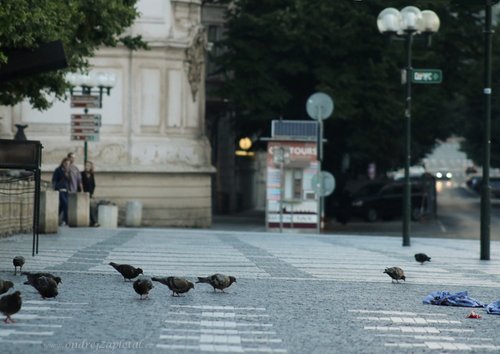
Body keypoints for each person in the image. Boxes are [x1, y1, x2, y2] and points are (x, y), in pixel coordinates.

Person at [51, 157, 71, 226]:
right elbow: (54, 180)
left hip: (66, 191)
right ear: (63, 163)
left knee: (62, 206)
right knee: (65, 204)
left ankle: (55, 219)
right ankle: (65, 221)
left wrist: (67, 175)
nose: (67, 165)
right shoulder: (58, 170)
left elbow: (69, 181)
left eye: (68, 164)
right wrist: (54, 188)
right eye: (66, 163)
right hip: (60, 190)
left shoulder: (68, 172)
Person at [82, 161, 99, 227]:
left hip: (90, 194)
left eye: (88, 166)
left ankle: (93, 221)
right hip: (84, 194)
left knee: (94, 206)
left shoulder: (92, 175)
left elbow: (93, 185)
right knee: (90, 207)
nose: (87, 167)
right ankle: (94, 222)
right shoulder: (82, 174)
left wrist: (92, 193)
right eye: (86, 166)